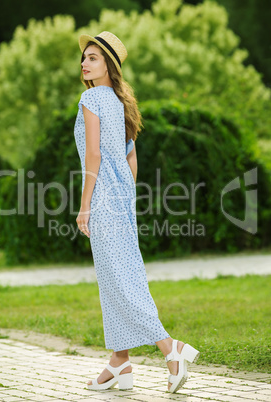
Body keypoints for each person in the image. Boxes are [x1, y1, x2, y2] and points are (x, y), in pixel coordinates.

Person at [74, 31, 200, 394]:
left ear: (109, 64)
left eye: (93, 57)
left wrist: (85, 206)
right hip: (122, 199)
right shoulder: (120, 100)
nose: (84, 63)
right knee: (120, 277)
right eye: (84, 57)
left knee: (121, 281)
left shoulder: (91, 98)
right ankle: (120, 363)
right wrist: (125, 196)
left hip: (102, 200)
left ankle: (170, 347)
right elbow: (131, 158)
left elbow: (94, 155)